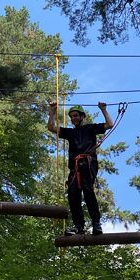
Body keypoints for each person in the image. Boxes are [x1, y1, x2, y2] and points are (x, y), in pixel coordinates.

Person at [47, 101, 114, 236]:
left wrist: (103, 109)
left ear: (82, 116)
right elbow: (51, 127)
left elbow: (110, 124)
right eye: (71, 116)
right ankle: (79, 226)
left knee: (88, 190)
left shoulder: (90, 128)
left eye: (76, 115)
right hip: (74, 168)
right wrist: (53, 111)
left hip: (88, 164)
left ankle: (96, 224)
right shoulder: (70, 133)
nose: (73, 118)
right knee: (73, 195)